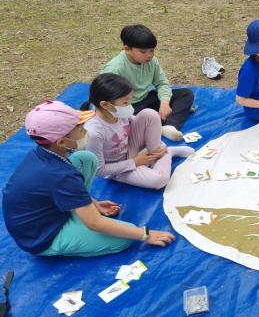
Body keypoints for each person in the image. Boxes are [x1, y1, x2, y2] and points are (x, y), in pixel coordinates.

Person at [1, 100, 176, 257]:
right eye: (80, 128)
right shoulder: (62, 176)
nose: (86, 130)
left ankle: (80, 209)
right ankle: (61, 241)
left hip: (45, 212)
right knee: (125, 238)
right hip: (42, 236)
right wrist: (145, 234)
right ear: (62, 142)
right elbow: (96, 224)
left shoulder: (42, 153)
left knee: (87, 158)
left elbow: (60, 188)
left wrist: (92, 203)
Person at [81, 73, 194, 190]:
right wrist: (134, 162)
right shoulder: (94, 133)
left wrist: (159, 145)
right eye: (125, 103)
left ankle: (158, 152)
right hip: (117, 167)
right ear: (105, 105)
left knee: (149, 114)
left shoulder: (117, 113)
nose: (129, 106)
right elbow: (99, 169)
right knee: (159, 180)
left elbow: (142, 124)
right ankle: (168, 154)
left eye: (130, 101)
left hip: (131, 149)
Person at [101, 24, 194, 142]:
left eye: (152, 50)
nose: (149, 55)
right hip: (127, 108)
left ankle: (170, 126)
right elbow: (103, 102)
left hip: (146, 99)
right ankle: (158, 124)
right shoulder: (114, 69)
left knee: (186, 94)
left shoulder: (152, 62)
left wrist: (165, 103)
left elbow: (162, 83)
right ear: (127, 49)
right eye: (143, 51)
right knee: (126, 124)